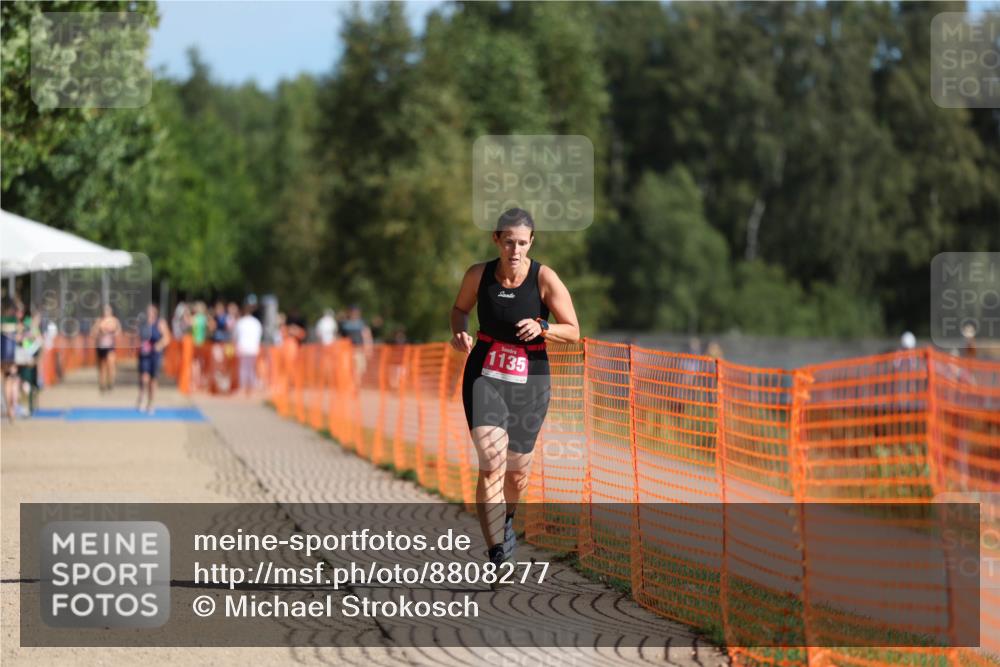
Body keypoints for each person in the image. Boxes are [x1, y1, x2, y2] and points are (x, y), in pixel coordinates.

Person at [450, 208, 580, 583]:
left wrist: (543, 326)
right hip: (485, 375)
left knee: (517, 474)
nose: (516, 249)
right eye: (509, 241)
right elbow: (459, 310)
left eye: (523, 242)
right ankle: (495, 555)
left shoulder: (544, 278)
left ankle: (506, 519)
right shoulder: (479, 275)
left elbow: (572, 329)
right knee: (491, 463)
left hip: (531, 380)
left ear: (531, 243)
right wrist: (459, 331)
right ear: (496, 240)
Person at [137, 303, 172, 414]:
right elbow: (137, 337)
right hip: (144, 354)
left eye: (151, 312)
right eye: (148, 312)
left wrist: (159, 345)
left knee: (153, 380)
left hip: (155, 355)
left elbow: (167, 338)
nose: (149, 314)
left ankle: (151, 402)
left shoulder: (160, 323)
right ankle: (142, 396)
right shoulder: (142, 324)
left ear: (155, 313)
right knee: (144, 378)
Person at [92, 304, 122, 392]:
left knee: (110, 364)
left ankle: (111, 382)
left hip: (110, 346)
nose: (106, 312)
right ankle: (102, 384)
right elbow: (93, 333)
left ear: (110, 312)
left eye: (107, 310)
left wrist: (112, 332)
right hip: (100, 346)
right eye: (104, 310)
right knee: (101, 366)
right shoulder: (99, 321)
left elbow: (118, 332)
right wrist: (99, 330)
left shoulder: (114, 321)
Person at [234, 303, 263, 395]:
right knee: (251, 368)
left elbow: (235, 335)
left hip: (243, 347)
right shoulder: (256, 322)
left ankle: (244, 386)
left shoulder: (241, 322)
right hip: (253, 348)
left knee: (243, 368)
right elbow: (259, 335)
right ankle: (251, 386)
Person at [2, 303, 20, 422]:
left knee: (5, 383)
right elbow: (19, 336)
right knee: (11, 382)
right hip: (10, 357)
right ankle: (11, 409)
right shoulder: (14, 320)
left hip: (3, 357)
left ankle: (9, 408)